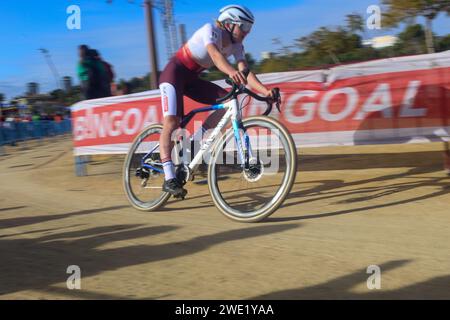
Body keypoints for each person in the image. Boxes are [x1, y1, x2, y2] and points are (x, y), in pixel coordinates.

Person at [158, 5, 276, 197]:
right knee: (172, 122)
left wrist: (266, 91)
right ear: (229, 24)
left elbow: (246, 72)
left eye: (249, 28)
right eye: (244, 27)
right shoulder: (210, 30)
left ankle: (194, 143)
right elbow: (215, 55)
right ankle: (169, 177)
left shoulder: (237, 46)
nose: (247, 32)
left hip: (192, 79)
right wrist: (231, 72)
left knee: (227, 101)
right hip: (174, 74)